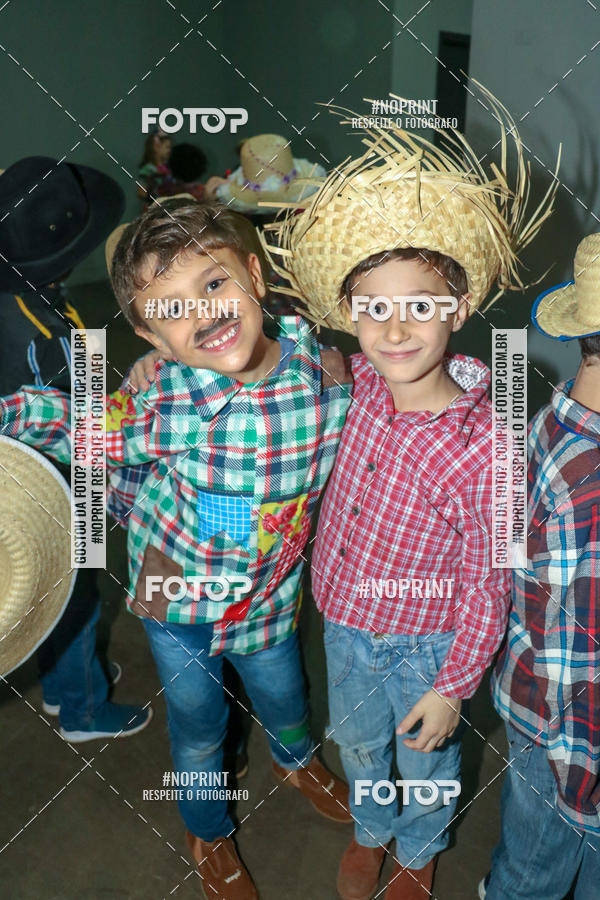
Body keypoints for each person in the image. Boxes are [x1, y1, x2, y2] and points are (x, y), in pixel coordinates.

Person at [0, 198, 353, 899]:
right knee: (198, 728)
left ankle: (295, 758)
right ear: (150, 337)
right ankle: (207, 828)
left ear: (254, 275)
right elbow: (76, 423)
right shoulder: (165, 403)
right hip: (176, 596)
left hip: (269, 597)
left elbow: (397, 393)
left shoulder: (323, 378)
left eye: (214, 284)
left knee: (287, 698)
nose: (205, 316)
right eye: (171, 312)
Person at [262, 86, 558, 899]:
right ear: (349, 315)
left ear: (459, 308)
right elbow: (265, 349)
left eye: (420, 307)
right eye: (374, 309)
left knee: (424, 754)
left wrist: (454, 684)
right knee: (360, 747)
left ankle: (421, 845)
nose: (396, 329)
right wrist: (158, 362)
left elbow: (488, 578)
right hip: (346, 622)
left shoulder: (489, 444)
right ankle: (372, 827)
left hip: (427, 643)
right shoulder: (350, 379)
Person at [0, 156, 152, 741]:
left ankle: (67, 684)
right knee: (79, 587)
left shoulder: (26, 297)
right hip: (61, 475)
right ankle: (83, 709)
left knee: (60, 589)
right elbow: (78, 412)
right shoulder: (41, 335)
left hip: (39, 462)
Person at [479, 233, 600, 900]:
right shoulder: (592, 486)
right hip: (571, 741)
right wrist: (582, 786)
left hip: (537, 716)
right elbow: (573, 666)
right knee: (536, 872)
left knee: (530, 862)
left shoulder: (561, 417)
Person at [137, 127, 173, 202]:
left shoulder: (168, 168)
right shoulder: (148, 169)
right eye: (167, 147)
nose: (169, 150)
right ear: (156, 147)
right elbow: (141, 192)